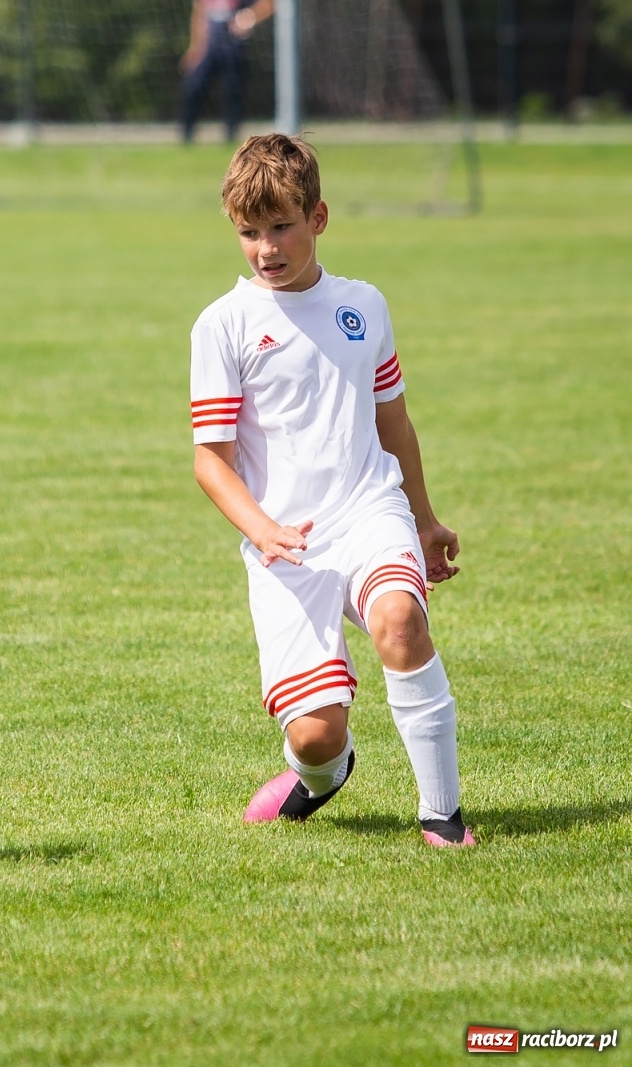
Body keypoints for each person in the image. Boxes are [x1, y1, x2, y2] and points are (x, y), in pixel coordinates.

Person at [189, 134, 475, 847]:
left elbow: (395, 424)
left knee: (401, 621)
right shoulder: (222, 325)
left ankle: (442, 814)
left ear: (318, 217)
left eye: (280, 225)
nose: (266, 247)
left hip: (368, 510)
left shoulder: (364, 306)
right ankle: (323, 772)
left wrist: (426, 519)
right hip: (284, 545)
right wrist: (262, 529)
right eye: (249, 233)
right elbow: (211, 462)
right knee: (317, 732)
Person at [180, 0, 273, 144]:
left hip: (233, 42)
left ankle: (231, 134)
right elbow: (199, 14)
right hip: (209, 43)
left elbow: (268, 4)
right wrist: (194, 47)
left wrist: (249, 16)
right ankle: (187, 134)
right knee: (194, 86)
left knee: (233, 89)